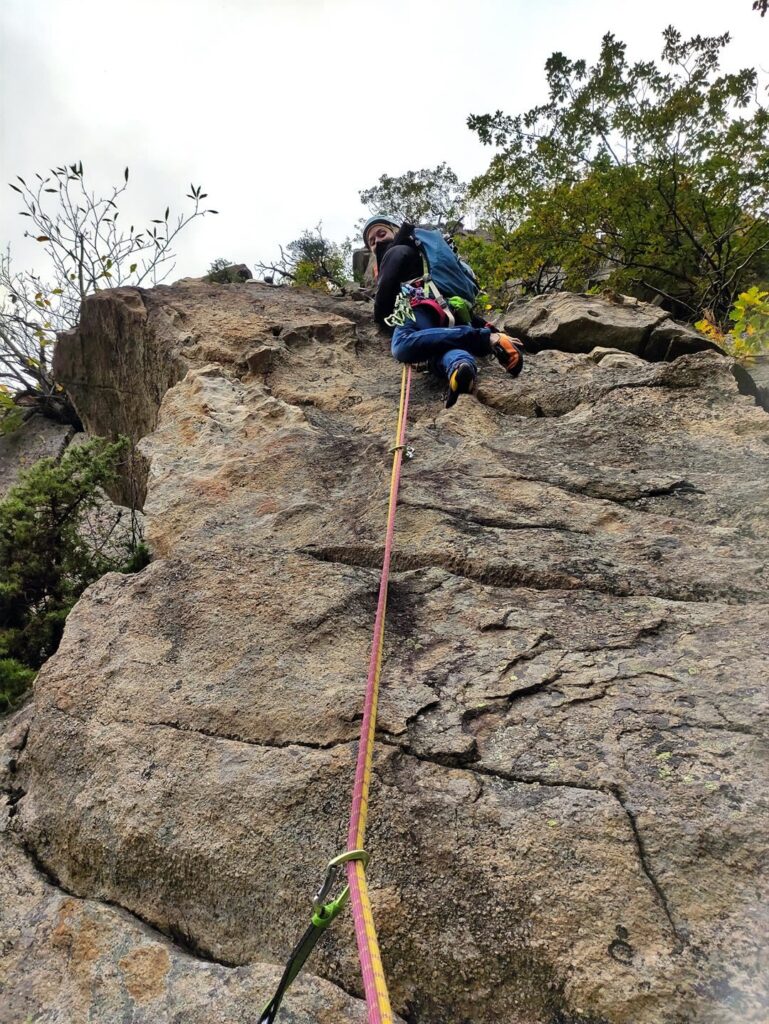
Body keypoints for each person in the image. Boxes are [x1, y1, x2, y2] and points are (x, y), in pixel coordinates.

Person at [363, 215, 524, 407]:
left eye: (381, 234)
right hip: (450, 312)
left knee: (402, 344)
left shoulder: (396, 250)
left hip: (420, 307)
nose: (378, 241)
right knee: (438, 346)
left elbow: (385, 292)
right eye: (372, 241)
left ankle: (484, 340)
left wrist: (379, 317)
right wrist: (492, 328)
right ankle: (459, 368)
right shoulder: (423, 257)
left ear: (396, 231)